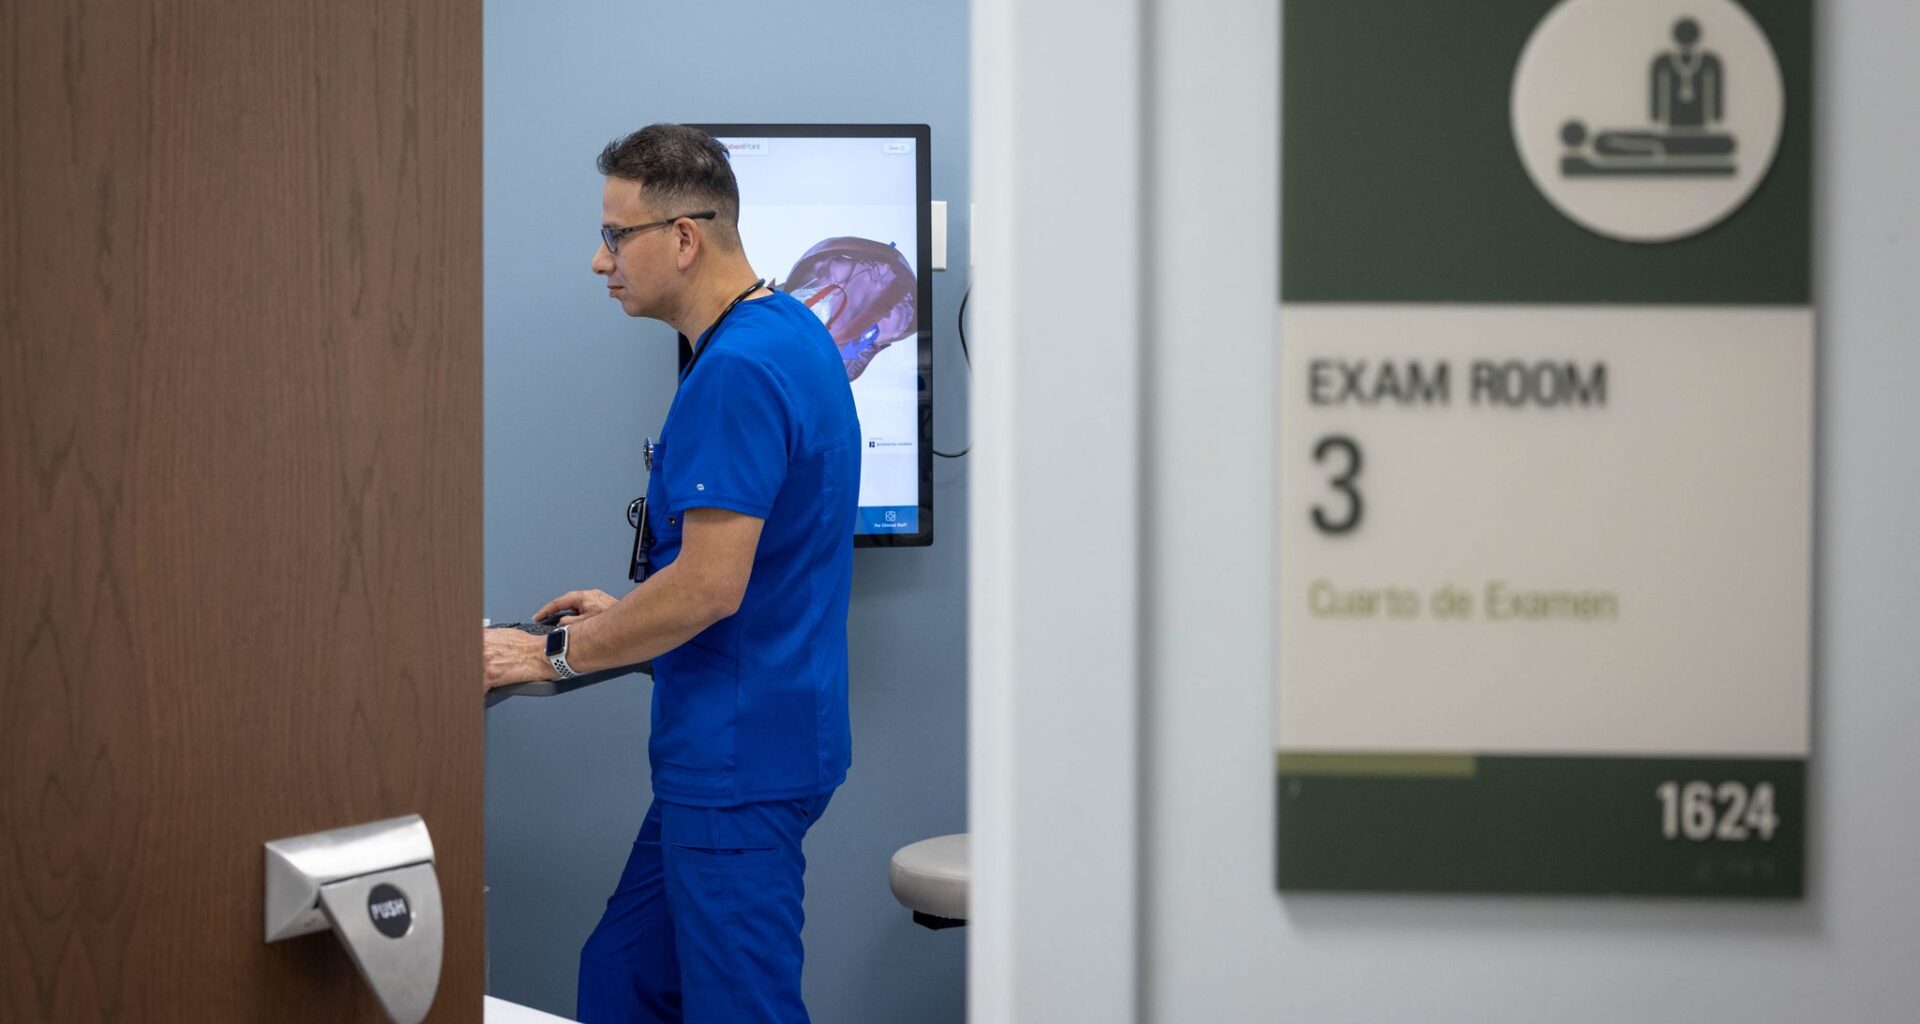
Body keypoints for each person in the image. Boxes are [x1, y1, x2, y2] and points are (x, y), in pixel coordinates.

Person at [481, 123, 861, 1023]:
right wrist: (630, 616)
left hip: (737, 759)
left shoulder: (736, 369)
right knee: (623, 980)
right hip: (761, 730)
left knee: (740, 1007)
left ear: (683, 238)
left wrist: (558, 654)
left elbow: (708, 589)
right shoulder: (788, 333)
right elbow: (752, 570)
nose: (598, 260)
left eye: (616, 236)